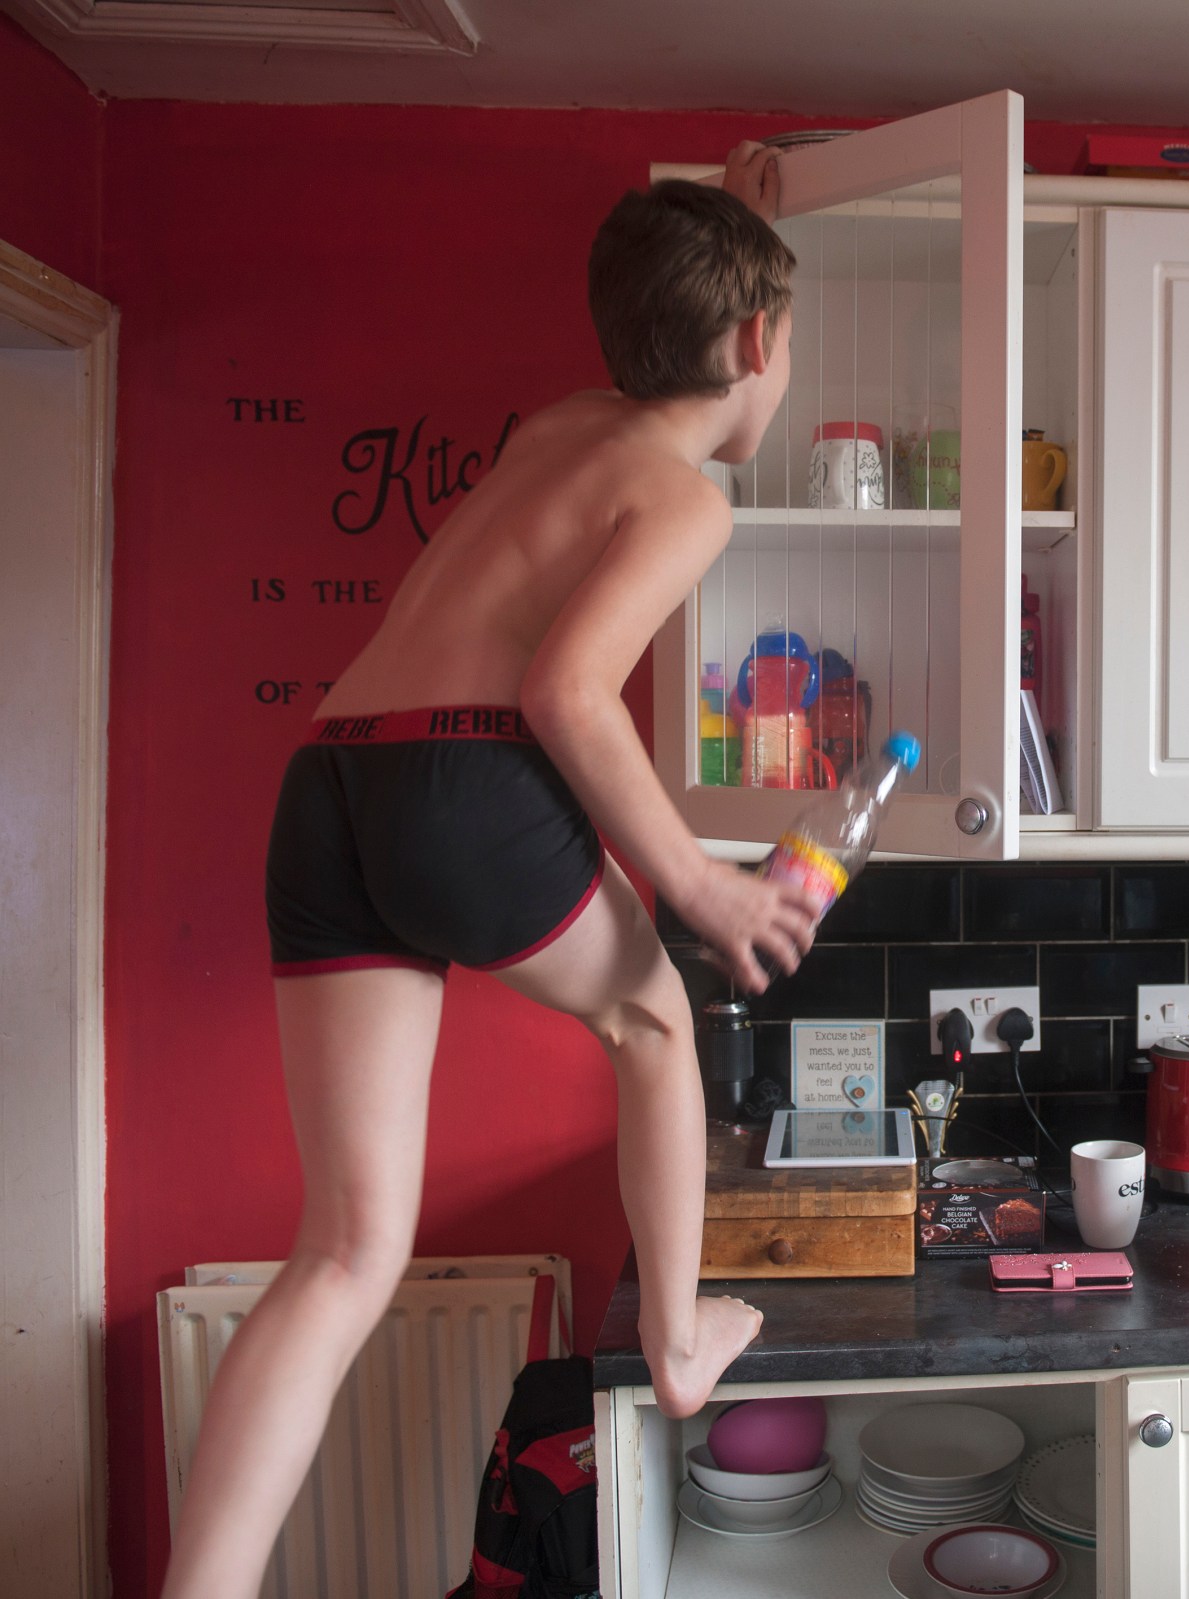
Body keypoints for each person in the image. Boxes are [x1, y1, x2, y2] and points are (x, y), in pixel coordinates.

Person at [162, 143, 815, 1597]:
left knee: (341, 1253)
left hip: (331, 776)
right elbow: (568, 695)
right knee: (653, 1022)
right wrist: (698, 893)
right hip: (462, 772)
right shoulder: (685, 492)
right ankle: (682, 1345)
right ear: (760, 344)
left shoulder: (562, 424)